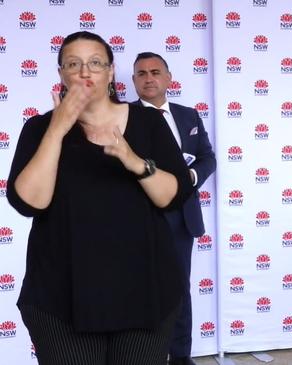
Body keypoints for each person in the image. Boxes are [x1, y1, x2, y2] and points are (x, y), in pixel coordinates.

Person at [7, 31, 193, 364]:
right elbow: (29, 202)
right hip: (61, 299)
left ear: (110, 72)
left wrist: (134, 161)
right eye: (73, 63)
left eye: (95, 62)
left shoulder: (148, 122)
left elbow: (173, 197)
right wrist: (58, 128)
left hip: (145, 293)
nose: (84, 72)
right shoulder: (39, 128)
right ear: (61, 74)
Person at [132, 52, 216, 365]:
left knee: (180, 289)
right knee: (139, 291)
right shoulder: (122, 116)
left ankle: (181, 357)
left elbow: (208, 157)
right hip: (139, 219)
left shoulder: (189, 115)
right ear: (134, 81)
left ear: (169, 78)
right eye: (141, 73)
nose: (148, 78)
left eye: (155, 72)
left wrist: (191, 177)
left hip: (182, 219)